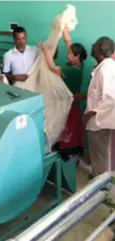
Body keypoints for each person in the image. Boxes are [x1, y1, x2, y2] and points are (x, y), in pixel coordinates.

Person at [38, 27, 87, 160]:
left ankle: (67, 157)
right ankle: (72, 155)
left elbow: (51, 66)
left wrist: (45, 50)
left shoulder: (69, 70)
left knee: (67, 132)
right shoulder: (80, 65)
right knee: (73, 132)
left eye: (70, 54)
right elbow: (68, 42)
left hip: (69, 105)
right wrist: (63, 27)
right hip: (75, 104)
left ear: (76, 56)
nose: (67, 54)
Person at [82, 36, 115, 177]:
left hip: (99, 120)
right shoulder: (103, 67)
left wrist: (88, 115)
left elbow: (109, 98)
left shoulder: (105, 70)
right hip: (99, 119)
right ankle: (99, 177)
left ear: (100, 50)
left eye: (95, 45)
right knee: (98, 152)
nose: (92, 45)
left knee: (99, 153)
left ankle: (101, 186)